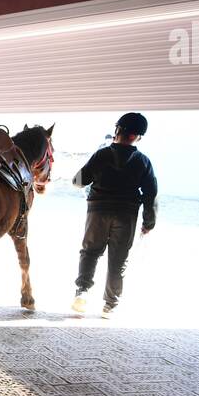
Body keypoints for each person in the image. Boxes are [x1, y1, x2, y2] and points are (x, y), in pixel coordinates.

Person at [71, 111, 157, 317]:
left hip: (98, 211)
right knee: (119, 259)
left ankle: (82, 293)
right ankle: (110, 305)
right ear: (138, 137)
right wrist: (149, 221)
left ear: (117, 130)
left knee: (90, 252)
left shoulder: (102, 155)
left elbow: (78, 181)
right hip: (127, 215)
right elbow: (151, 194)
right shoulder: (143, 161)